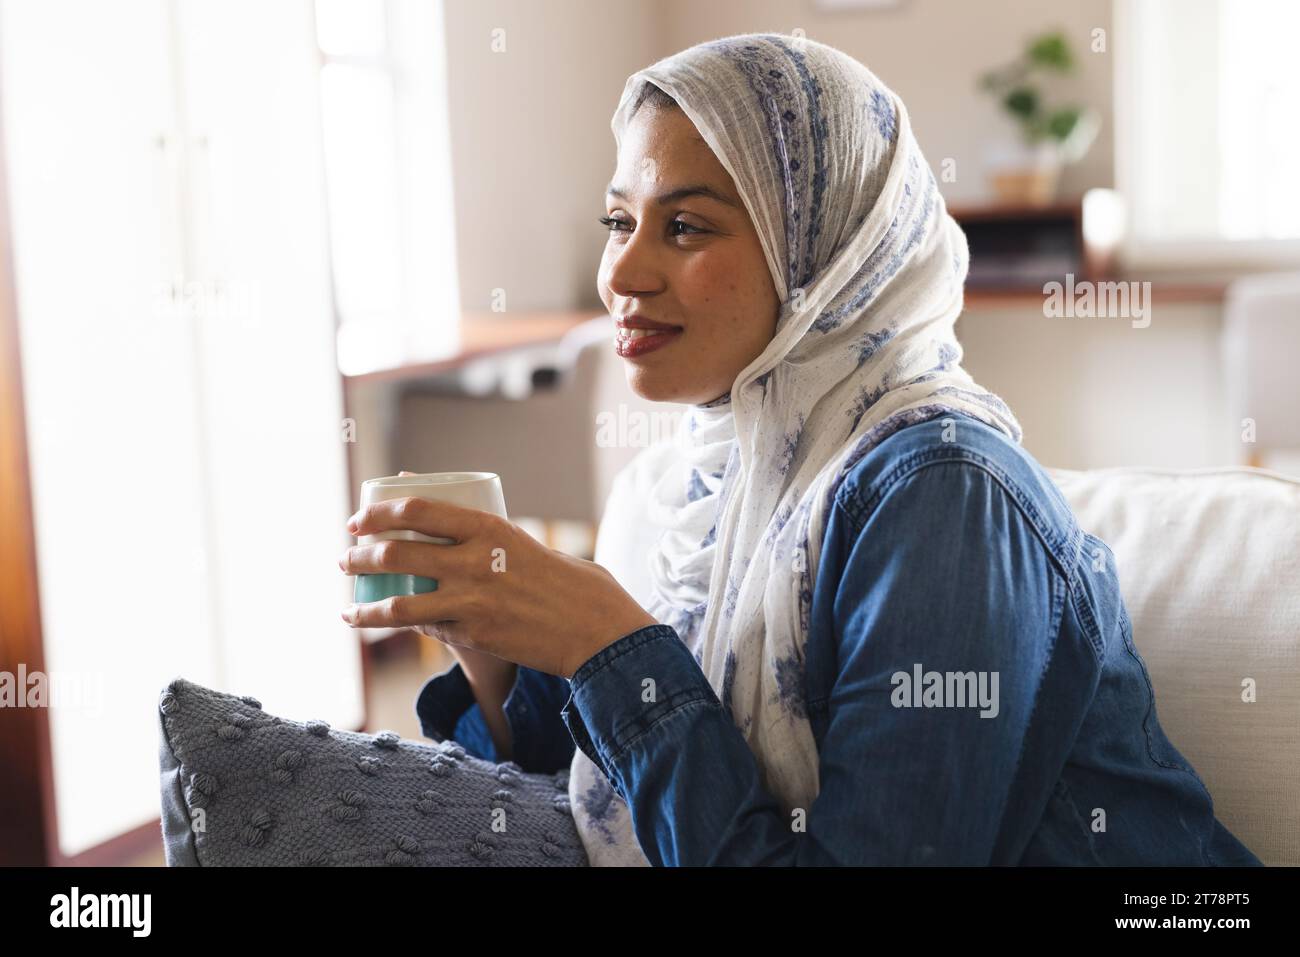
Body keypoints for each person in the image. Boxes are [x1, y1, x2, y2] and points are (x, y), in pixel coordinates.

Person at [341, 34, 1262, 867]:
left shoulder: (944, 497)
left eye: (686, 225)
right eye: (618, 221)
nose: (620, 273)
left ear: (827, 255)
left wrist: (608, 642)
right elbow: (595, 790)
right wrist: (491, 650)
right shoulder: (690, 484)